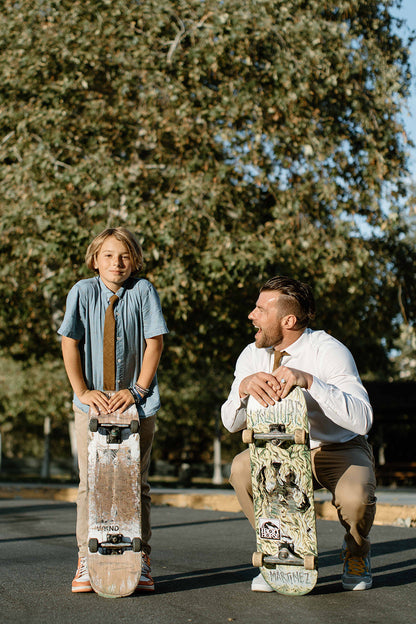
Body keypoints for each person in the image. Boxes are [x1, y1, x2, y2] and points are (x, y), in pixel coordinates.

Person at [221, 276, 376, 592]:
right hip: (278, 451)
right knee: (240, 469)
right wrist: (240, 390)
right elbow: (230, 423)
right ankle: (278, 548)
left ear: (288, 320)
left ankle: (356, 553)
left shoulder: (329, 351)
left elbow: (363, 420)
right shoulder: (251, 354)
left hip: (336, 448)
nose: (252, 315)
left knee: (356, 496)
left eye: (261, 309)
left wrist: (311, 382)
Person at [58, 226, 168, 593]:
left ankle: (140, 558)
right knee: (90, 482)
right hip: (92, 404)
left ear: (134, 260)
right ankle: (87, 559)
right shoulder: (82, 292)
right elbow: (70, 343)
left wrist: (136, 390)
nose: (116, 263)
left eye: (124, 256)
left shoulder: (143, 291)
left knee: (136, 482)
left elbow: (155, 343)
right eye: (108, 255)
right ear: (95, 259)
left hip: (137, 404)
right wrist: (83, 390)